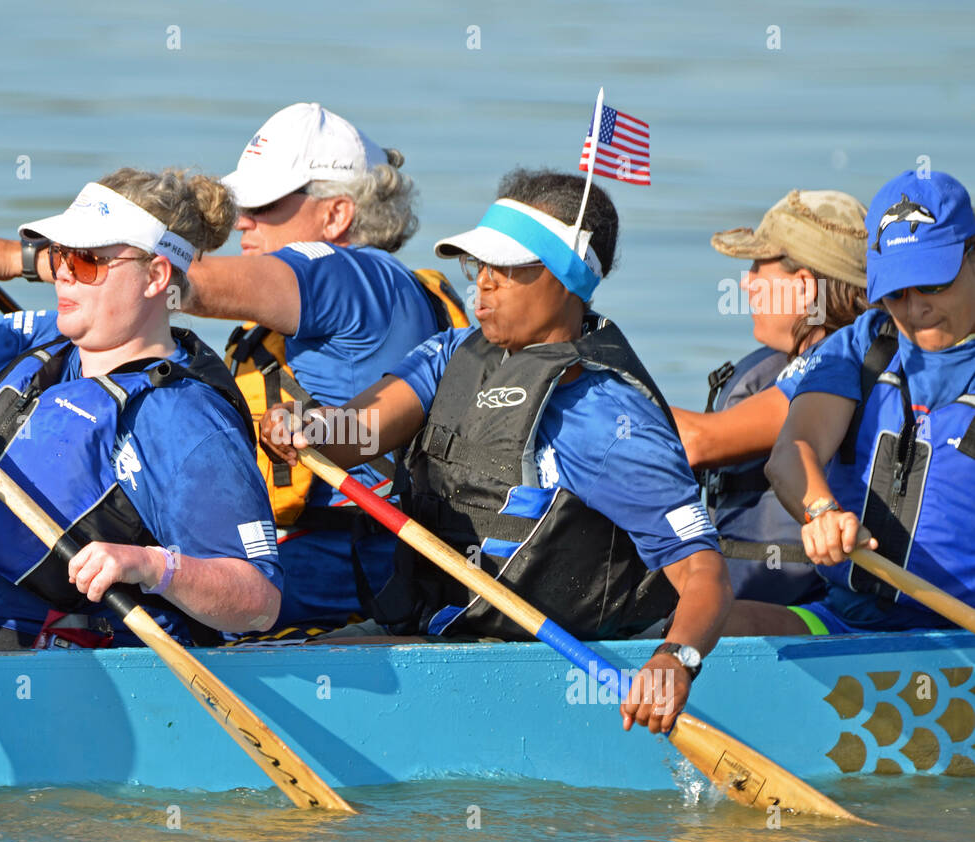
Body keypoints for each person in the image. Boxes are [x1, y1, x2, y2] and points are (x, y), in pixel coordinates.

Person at [0, 103, 466, 632]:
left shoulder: (356, 276)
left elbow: (187, 279)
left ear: (337, 214)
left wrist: (25, 258)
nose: (244, 223)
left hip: (342, 573)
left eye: (267, 204)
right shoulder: (312, 310)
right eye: (243, 204)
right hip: (306, 552)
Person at [265, 168, 733, 733]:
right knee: (270, 670)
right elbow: (355, 436)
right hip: (441, 635)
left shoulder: (607, 417)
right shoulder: (450, 353)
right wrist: (310, 431)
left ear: (566, 278)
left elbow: (703, 571)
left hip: (552, 665)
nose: (481, 285)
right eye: (477, 266)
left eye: (504, 269)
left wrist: (674, 662)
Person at [0, 169, 281, 648]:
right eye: (58, 255)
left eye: (88, 261)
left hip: (50, 660)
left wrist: (150, 565)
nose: (64, 274)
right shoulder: (38, 335)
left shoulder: (186, 420)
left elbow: (257, 603)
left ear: (156, 275)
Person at [726, 170, 975, 637]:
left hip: (959, 644)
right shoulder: (864, 345)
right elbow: (793, 449)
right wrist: (820, 512)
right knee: (703, 627)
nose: (915, 307)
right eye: (896, 292)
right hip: (843, 622)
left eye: (934, 284)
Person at [670, 189, 869, 604]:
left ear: (802, 287)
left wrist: (593, 397)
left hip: (794, 608)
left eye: (759, 267)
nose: (746, 283)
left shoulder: (835, 369)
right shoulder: (802, 362)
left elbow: (696, 441)